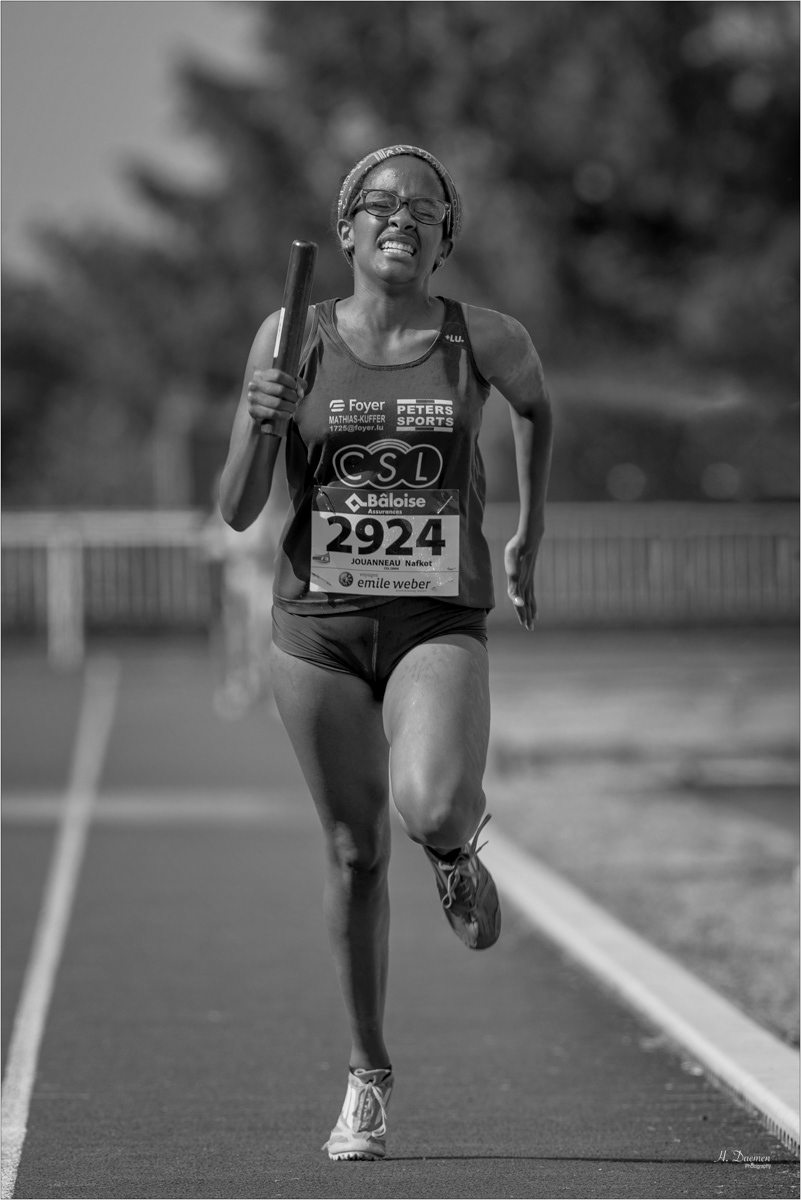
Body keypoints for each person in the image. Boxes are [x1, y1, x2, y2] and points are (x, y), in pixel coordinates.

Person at [219, 145, 553, 1161]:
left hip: (433, 621)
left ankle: (452, 853)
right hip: (316, 630)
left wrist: (528, 532)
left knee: (434, 804)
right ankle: (367, 1073)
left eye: (425, 207)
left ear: (444, 239)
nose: (402, 215)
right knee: (355, 852)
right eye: (380, 202)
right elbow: (237, 510)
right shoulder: (289, 337)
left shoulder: (484, 338)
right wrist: (260, 422)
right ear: (347, 228)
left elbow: (537, 408)